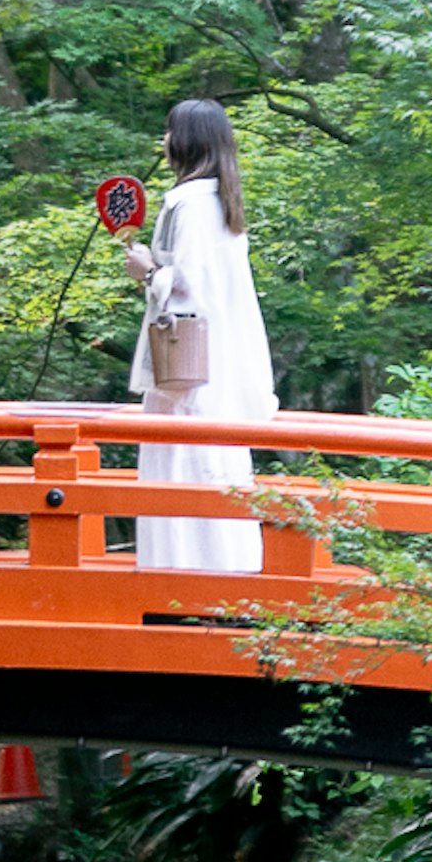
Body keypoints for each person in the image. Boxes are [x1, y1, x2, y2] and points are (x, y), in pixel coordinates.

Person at [121, 95, 274, 574]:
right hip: (223, 366)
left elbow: (186, 292)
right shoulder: (226, 206)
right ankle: (231, 577)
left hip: (185, 369)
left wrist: (147, 273)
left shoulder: (186, 204)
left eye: (169, 132)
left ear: (182, 142)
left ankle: (175, 575)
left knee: (179, 467)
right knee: (217, 468)